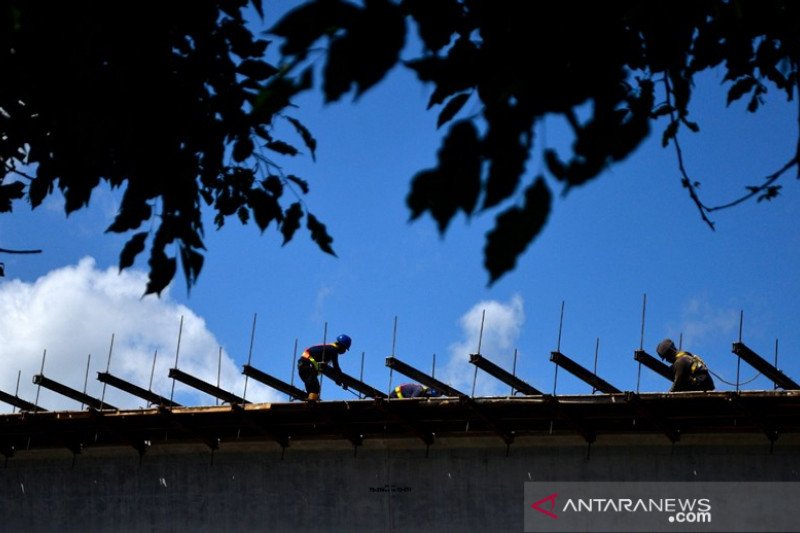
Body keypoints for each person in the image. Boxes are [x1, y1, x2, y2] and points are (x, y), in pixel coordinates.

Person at [298, 334, 351, 401]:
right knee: (315, 387)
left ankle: (311, 401)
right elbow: (336, 367)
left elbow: (332, 370)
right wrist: (342, 380)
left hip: (303, 365)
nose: (344, 351)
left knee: (313, 387)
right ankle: (311, 403)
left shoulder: (328, 350)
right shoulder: (333, 350)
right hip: (306, 365)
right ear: (342, 346)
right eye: (345, 349)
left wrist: (338, 380)